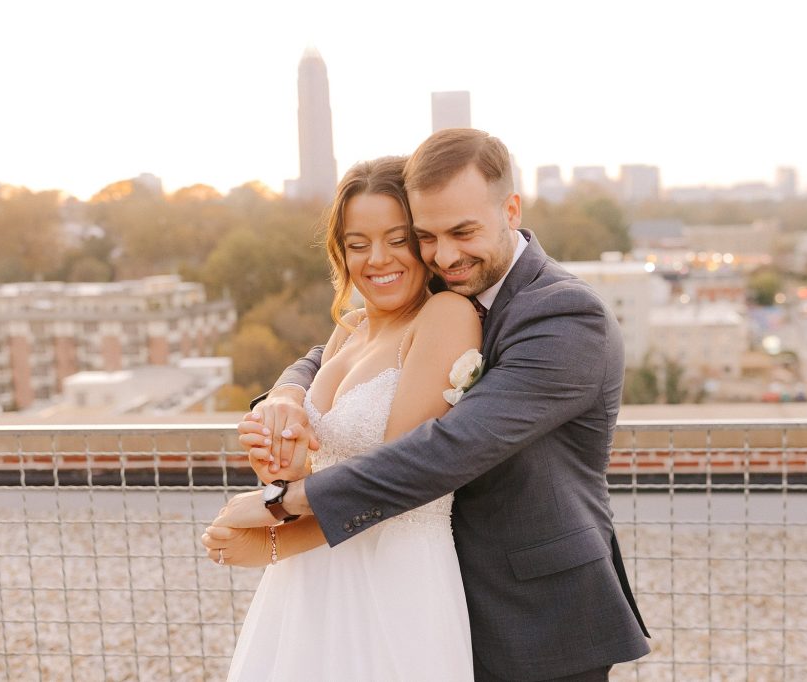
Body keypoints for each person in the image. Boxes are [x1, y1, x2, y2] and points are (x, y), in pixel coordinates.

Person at [208, 129, 650, 681]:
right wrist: (286, 393)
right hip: (423, 581)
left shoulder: (564, 316)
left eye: (463, 231)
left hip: (535, 611)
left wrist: (283, 508)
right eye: (427, 236)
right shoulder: (441, 292)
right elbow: (336, 349)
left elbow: (445, 450)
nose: (444, 254)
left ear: (510, 209)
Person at [207, 156, 480, 680]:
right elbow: (314, 469)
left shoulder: (446, 318)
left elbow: (397, 484)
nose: (378, 259)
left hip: (394, 579)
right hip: (310, 581)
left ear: (424, 240)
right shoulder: (350, 329)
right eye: (358, 244)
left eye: (398, 239)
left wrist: (269, 537)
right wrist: (276, 451)